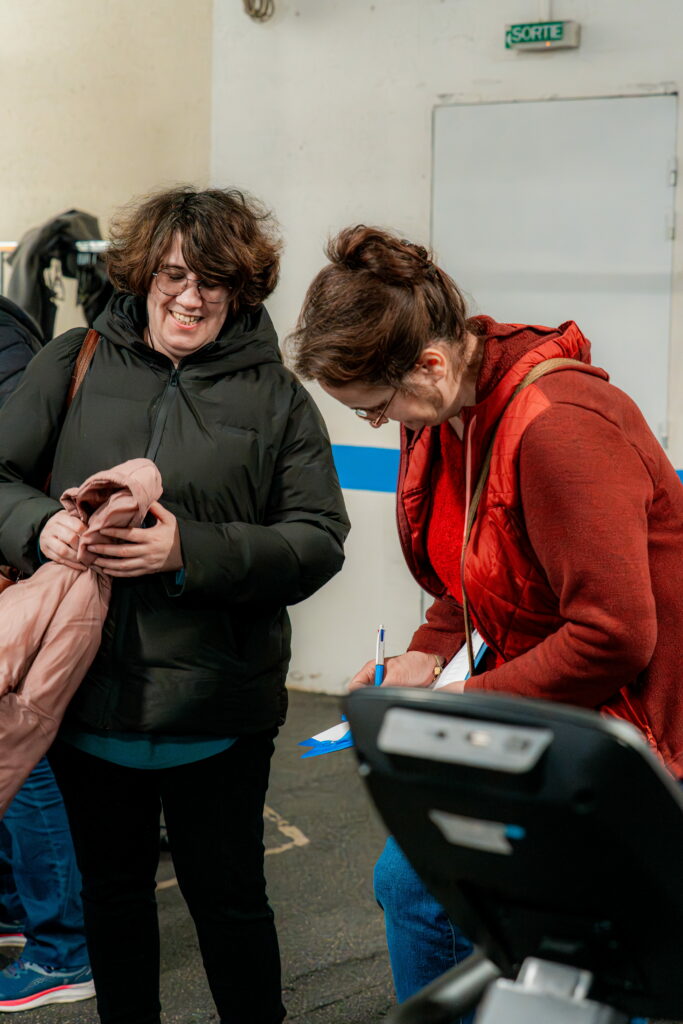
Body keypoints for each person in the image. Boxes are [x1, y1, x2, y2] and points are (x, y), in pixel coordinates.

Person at [288, 224, 683, 1009]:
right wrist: (425, 655)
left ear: (431, 362)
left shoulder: (559, 429)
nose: (379, 426)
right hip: (554, 714)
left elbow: (612, 633)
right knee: (417, 884)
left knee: (621, 953)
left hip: (644, 730)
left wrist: (461, 703)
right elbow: (472, 570)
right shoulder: (448, 416)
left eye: (374, 410)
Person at [0, 186, 350, 1024]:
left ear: (242, 291)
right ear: (141, 275)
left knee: (230, 909)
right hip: (89, 700)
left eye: (214, 282)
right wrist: (39, 525)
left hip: (217, 710)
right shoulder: (72, 360)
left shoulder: (276, 396)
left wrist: (184, 549)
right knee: (114, 904)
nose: (190, 297)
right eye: (172, 276)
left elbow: (317, 538)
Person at [0, 297, 94, 1011]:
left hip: (18, 572)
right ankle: (19, 905)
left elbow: (12, 463)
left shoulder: (3, 337)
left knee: (20, 752)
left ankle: (63, 948)